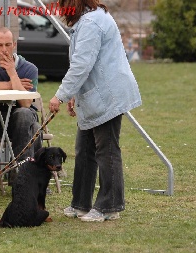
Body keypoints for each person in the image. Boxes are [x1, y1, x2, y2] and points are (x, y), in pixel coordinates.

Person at [49, 0, 142, 222]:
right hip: (95, 96)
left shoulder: (92, 23)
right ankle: (80, 204)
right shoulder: (89, 19)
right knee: (84, 149)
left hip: (108, 96)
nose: (62, 10)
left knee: (107, 151)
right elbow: (87, 65)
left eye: (64, 4)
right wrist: (73, 95)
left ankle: (110, 206)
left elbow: (82, 64)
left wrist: (60, 95)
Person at [0, 27, 42, 163]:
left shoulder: (29, 69)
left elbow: (26, 103)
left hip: (19, 121)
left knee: (26, 117)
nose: (4, 50)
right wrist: (11, 84)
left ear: (14, 45)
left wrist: (12, 73)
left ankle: (19, 173)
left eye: (8, 45)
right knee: (35, 129)